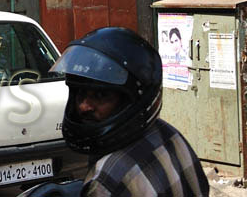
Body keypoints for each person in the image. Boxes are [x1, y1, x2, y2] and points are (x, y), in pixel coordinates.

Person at [36, 27, 209, 197]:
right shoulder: (170, 135)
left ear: (131, 102)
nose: (83, 106)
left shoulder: (106, 181)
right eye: (80, 93)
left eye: (100, 95)